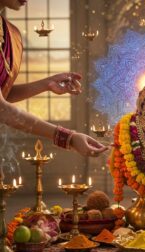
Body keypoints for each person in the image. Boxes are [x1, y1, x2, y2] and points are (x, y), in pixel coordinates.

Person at [0, 0, 107, 157]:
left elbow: (5, 95)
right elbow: (2, 109)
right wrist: (68, 138)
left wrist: (46, 84)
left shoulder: (11, 34)